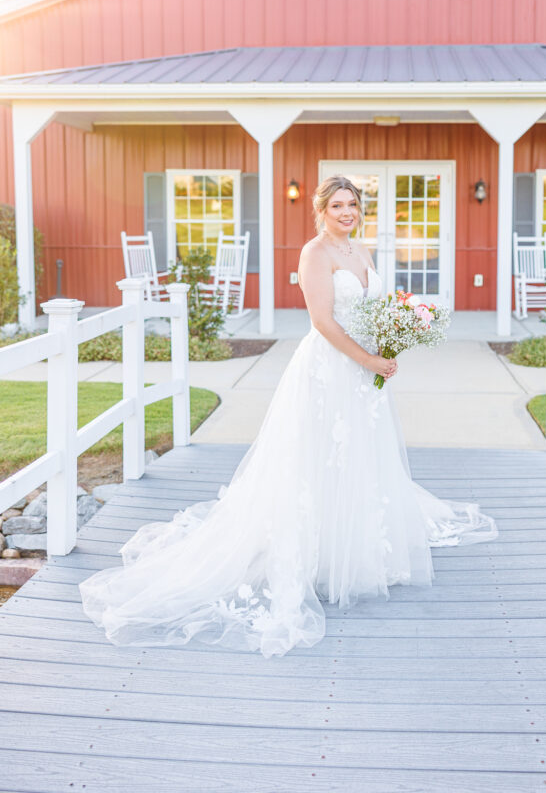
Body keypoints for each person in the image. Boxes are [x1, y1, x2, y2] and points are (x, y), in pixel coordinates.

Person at [80, 175, 497, 657]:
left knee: (362, 453)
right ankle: (319, 553)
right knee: (320, 459)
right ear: (321, 210)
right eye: (338, 205)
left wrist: (391, 339)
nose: (347, 212)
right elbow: (322, 321)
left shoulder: (362, 253)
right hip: (329, 371)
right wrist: (367, 361)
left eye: (353, 204)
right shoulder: (314, 254)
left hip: (366, 370)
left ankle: (361, 547)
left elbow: (375, 308)